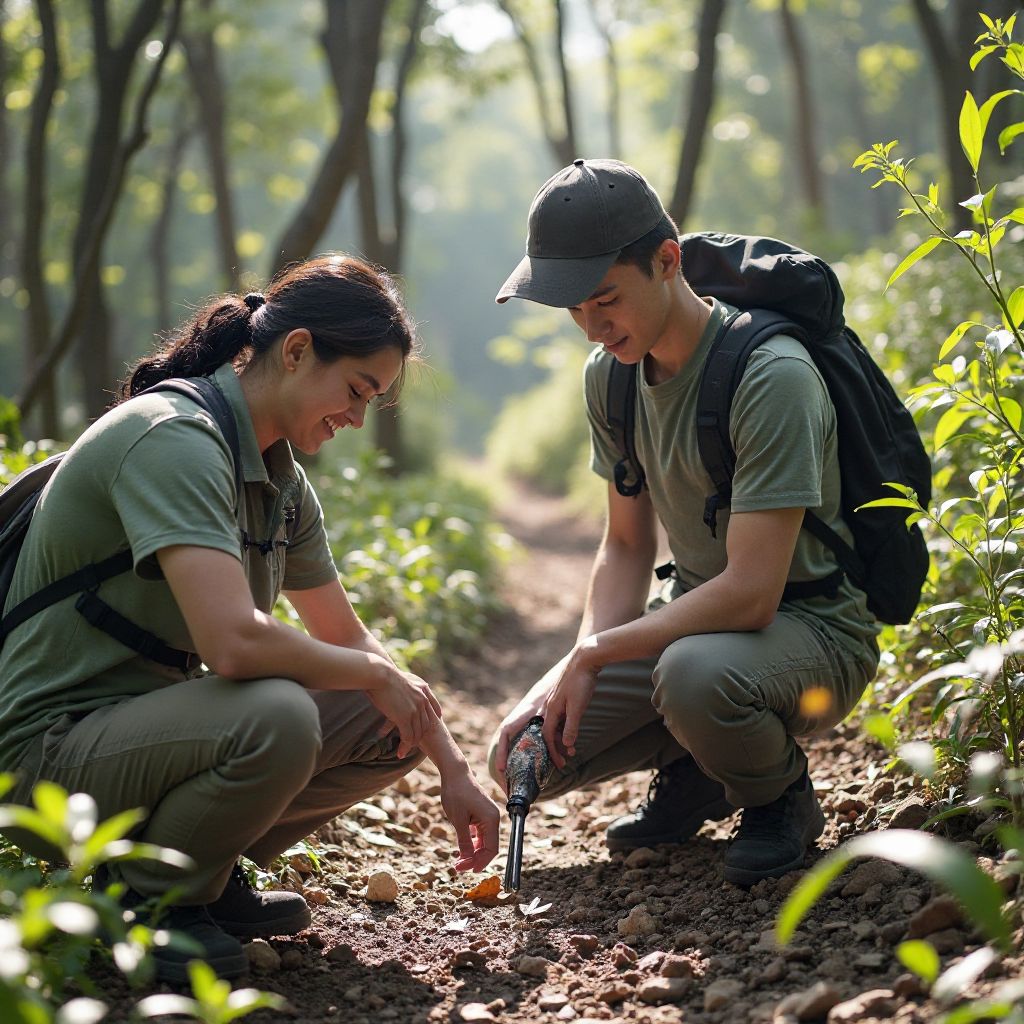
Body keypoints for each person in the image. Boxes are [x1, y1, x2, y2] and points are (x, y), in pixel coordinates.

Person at [0, 254, 499, 981]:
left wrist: (451, 764)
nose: (357, 418)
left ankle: (201, 867)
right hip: (47, 758)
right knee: (281, 716)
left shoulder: (279, 482)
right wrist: (371, 674)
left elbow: (349, 637)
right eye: (356, 390)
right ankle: (152, 899)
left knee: (387, 717)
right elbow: (232, 644)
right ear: (296, 351)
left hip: (146, 733)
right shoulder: (172, 438)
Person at [488, 159, 880, 887]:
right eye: (574, 309)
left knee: (694, 677)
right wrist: (569, 670)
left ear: (667, 261)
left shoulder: (772, 376)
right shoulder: (612, 377)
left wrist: (597, 653)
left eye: (606, 299)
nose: (592, 328)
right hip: (694, 625)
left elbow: (752, 594)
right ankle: (700, 768)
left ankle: (778, 799)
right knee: (521, 754)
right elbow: (625, 545)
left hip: (812, 627)